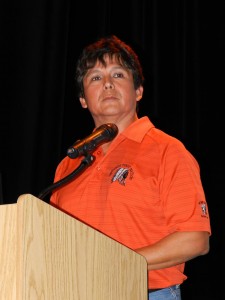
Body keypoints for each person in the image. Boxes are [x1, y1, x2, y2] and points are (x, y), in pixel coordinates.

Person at [50, 35, 211, 300]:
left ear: (138, 91)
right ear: (82, 99)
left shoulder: (168, 151)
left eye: (118, 74)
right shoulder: (69, 163)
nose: (108, 84)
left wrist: (116, 263)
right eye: (95, 78)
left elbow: (195, 239)